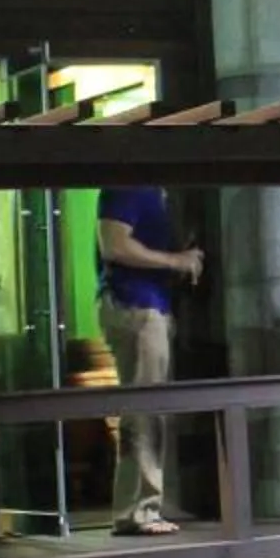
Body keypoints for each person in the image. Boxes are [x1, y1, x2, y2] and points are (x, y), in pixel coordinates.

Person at [94, 185, 202, 536]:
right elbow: (113, 243)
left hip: (149, 306)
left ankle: (142, 505)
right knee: (143, 410)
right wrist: (175, 261)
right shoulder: (128, 184)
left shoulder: (154, 192)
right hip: (135, 306)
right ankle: (138, 510)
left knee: (148, 410)